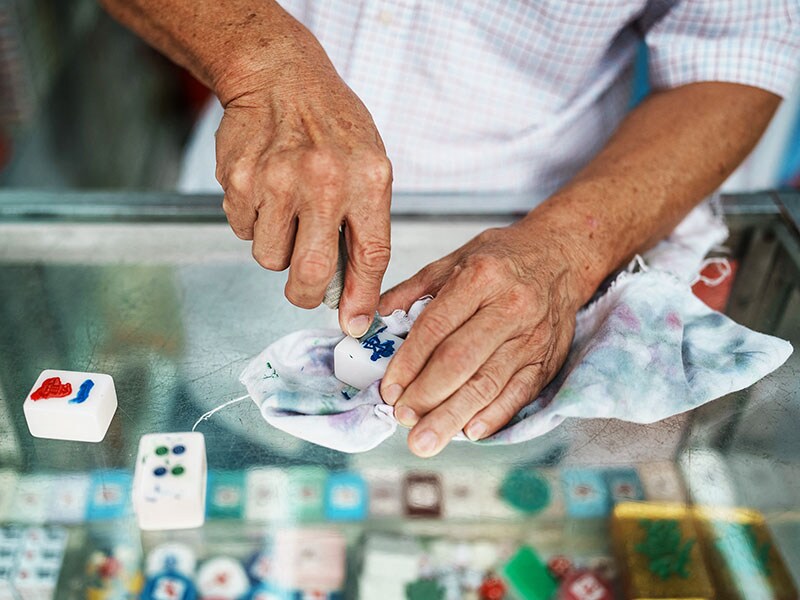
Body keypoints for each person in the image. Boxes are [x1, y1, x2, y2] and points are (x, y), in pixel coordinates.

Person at [101, 0, 799, 457]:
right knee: (228, 503)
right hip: (247, 253)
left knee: (459, 545)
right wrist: (255, 54)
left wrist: (569, 252)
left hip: (515, 320)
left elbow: (740, 52)